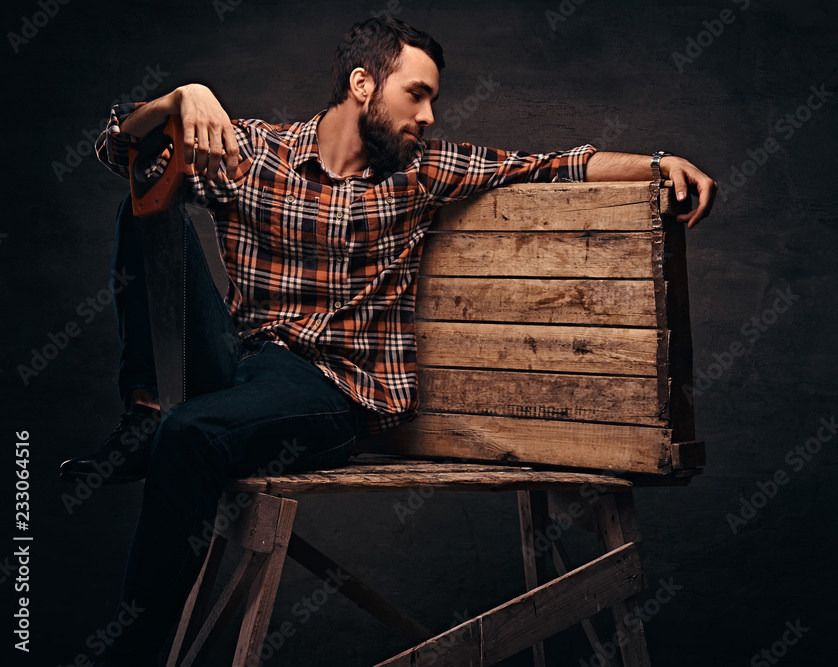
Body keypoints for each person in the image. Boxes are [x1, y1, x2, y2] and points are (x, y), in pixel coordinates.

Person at [59, 15, 717, 666]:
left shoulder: (422, 174)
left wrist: (659, 164)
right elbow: (121, 149)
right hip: (239, 364)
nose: (429, 114)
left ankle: (128, 652)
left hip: (329, 391)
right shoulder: (255, 153)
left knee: (191, 436)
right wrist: (179, 98)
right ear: (363, 85)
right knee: (145, 201)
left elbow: (559, 163)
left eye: (433, 98)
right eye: (417, 93)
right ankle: (148, 408)